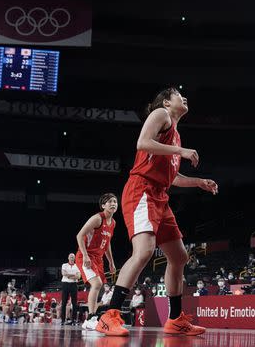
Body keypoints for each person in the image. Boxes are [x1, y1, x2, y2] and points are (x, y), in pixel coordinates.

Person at [96, 88, 217, 337]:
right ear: (166, 101)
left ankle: (175, 319)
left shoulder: (177, 136)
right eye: (178, 94)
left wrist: (199, 182)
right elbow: (142, 142)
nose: (184, 97)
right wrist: (180, 152)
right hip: (142, 190)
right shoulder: (161, 114)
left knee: (179, 257)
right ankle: (109, 315)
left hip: (160, 195)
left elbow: (172, 178)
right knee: (144, 251)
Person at [76, 193, 119, 331]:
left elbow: (107, 244)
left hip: (98, 258)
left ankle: (91, 319)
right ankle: (91, 317)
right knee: (97, 284)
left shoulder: (113, 223)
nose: (113, 203)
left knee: (98, 286)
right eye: (110, 202)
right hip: (85, 256)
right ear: (103, 206)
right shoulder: (97, 218)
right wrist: (85, 256)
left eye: (115, 201)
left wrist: (111, 262)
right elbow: (80, 235)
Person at [60, 253, 80, 325]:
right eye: (70, 257)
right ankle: (62, 320)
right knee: (64, 303)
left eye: (73, 257)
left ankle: (73, 320)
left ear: (74, 258)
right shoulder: (64, 265)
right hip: (65, 284)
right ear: (68, 257)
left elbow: (78, 277)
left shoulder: (77, 265)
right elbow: (63, 273)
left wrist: (68, 276)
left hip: (74, 285)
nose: (72, 258)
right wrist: (73, 275)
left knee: (74, 303)